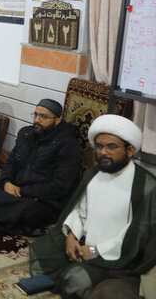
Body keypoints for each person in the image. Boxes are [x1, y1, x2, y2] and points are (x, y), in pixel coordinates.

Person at [29, 115, 156, 299]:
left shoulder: (146, 185)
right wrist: (72, 236)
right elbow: (80, 209)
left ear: (130, 150)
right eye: (99, 146)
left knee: (75, 281)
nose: (103, 152)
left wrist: (97, 251)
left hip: (117, 254)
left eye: (111, 147)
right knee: (39, 251)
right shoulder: (95, 172)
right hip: (83, 242)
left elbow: (138, 234)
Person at [0, 99, 82, 235]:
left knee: (26, 210)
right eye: (35, 115)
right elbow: (11, 163)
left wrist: (22, 191)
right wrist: (6, 182)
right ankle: (5, 219)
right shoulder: (27, 134)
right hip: (12, 191)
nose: (37, 120)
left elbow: (60, 186)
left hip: (40, 200)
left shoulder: (68, 145)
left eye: (43, 117)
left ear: (57, 120)